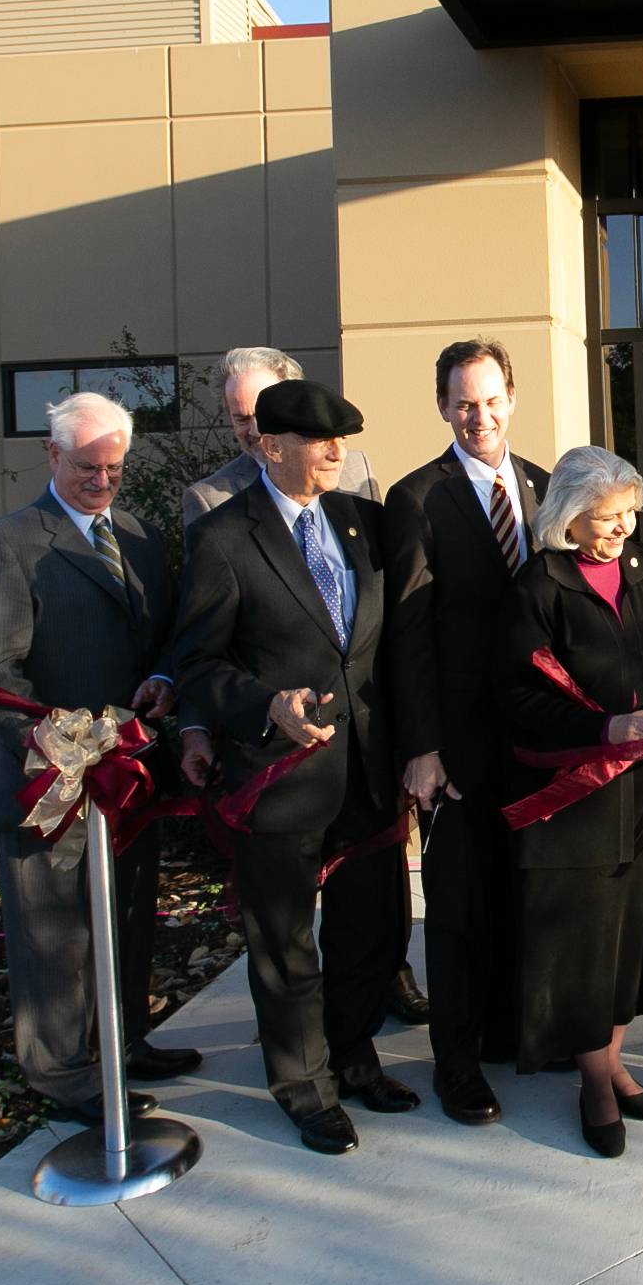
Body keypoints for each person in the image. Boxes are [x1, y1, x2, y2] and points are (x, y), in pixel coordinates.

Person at [171, 379, 413, 1156]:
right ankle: (304, 1087)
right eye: (320, 441)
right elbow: (199, 661)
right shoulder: (224, 540)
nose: (338, 452)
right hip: (279, 777)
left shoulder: (361, 523)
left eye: (342, 437)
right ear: (272, 448)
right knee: (284, 946)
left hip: (367, 771)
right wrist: (263, 705)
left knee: (370, 933)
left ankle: (353, 1056)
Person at [0, 391, 191, 1126]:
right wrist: (75, 741)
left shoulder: (143, 538)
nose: (103, 480)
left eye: (115, 467)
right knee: (55, 927)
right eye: (89, 466)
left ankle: (123, 1040)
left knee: (126, 912)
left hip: (129, 779)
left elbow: (170, 635)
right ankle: (60, 1071)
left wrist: (164, 682)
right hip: (50, 785)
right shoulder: (6, 544)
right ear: (53, 455)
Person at [500, 447, 643, 1158]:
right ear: (568, 522)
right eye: (605, 518)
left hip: (642, 789)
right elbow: (516, 694)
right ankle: (594, 1080)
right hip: (573, 798)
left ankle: (612, 1057)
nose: (620, 529)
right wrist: (603, 728)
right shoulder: (539, 585)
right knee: (583, 945)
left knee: (631, 938)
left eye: (628, 514)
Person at [382, 337, 549, 1127]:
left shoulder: (547, 490)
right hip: (456, 748)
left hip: (536, 744)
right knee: (454, 909)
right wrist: (421, 747)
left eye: (489, 399)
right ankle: (456, 1067)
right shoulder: (418, 497)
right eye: (462, 403)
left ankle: (508, 1034)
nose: (478, 416)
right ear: (443, 406)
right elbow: (408, 633)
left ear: (512, 396)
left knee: (521, 894)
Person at [186, 346, 380, 518]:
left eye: (264, 415)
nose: (255, 430)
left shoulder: (355, 471)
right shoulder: (211, 500)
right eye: (242, 419)